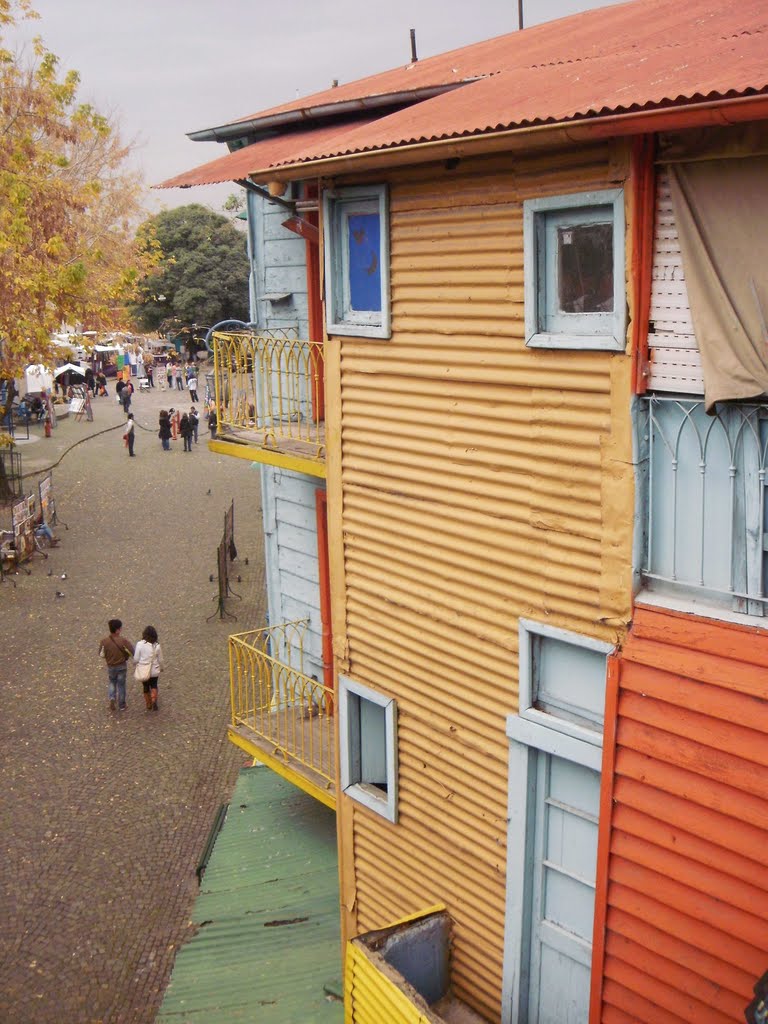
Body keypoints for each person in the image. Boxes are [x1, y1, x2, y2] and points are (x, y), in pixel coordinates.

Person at [98, 618, 134, 712]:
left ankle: (112, 698)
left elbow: (101, 654)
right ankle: (122, 705)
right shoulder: (123, 641)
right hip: (121, 666)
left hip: (111, 666)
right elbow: (132, 652)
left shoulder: (104, 642)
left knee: (112, 682)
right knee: (121, 685)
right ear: (118, 630)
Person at [133, 625, 164, 711]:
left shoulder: (139, 644)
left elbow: (136, 658)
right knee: (154, 685)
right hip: (154, 670)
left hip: (143, 670)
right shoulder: (157, 646)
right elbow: (160, 659)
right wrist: (162, 667)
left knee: (145, 686)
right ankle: (154, 699)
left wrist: (135, 664)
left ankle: (148, 703)